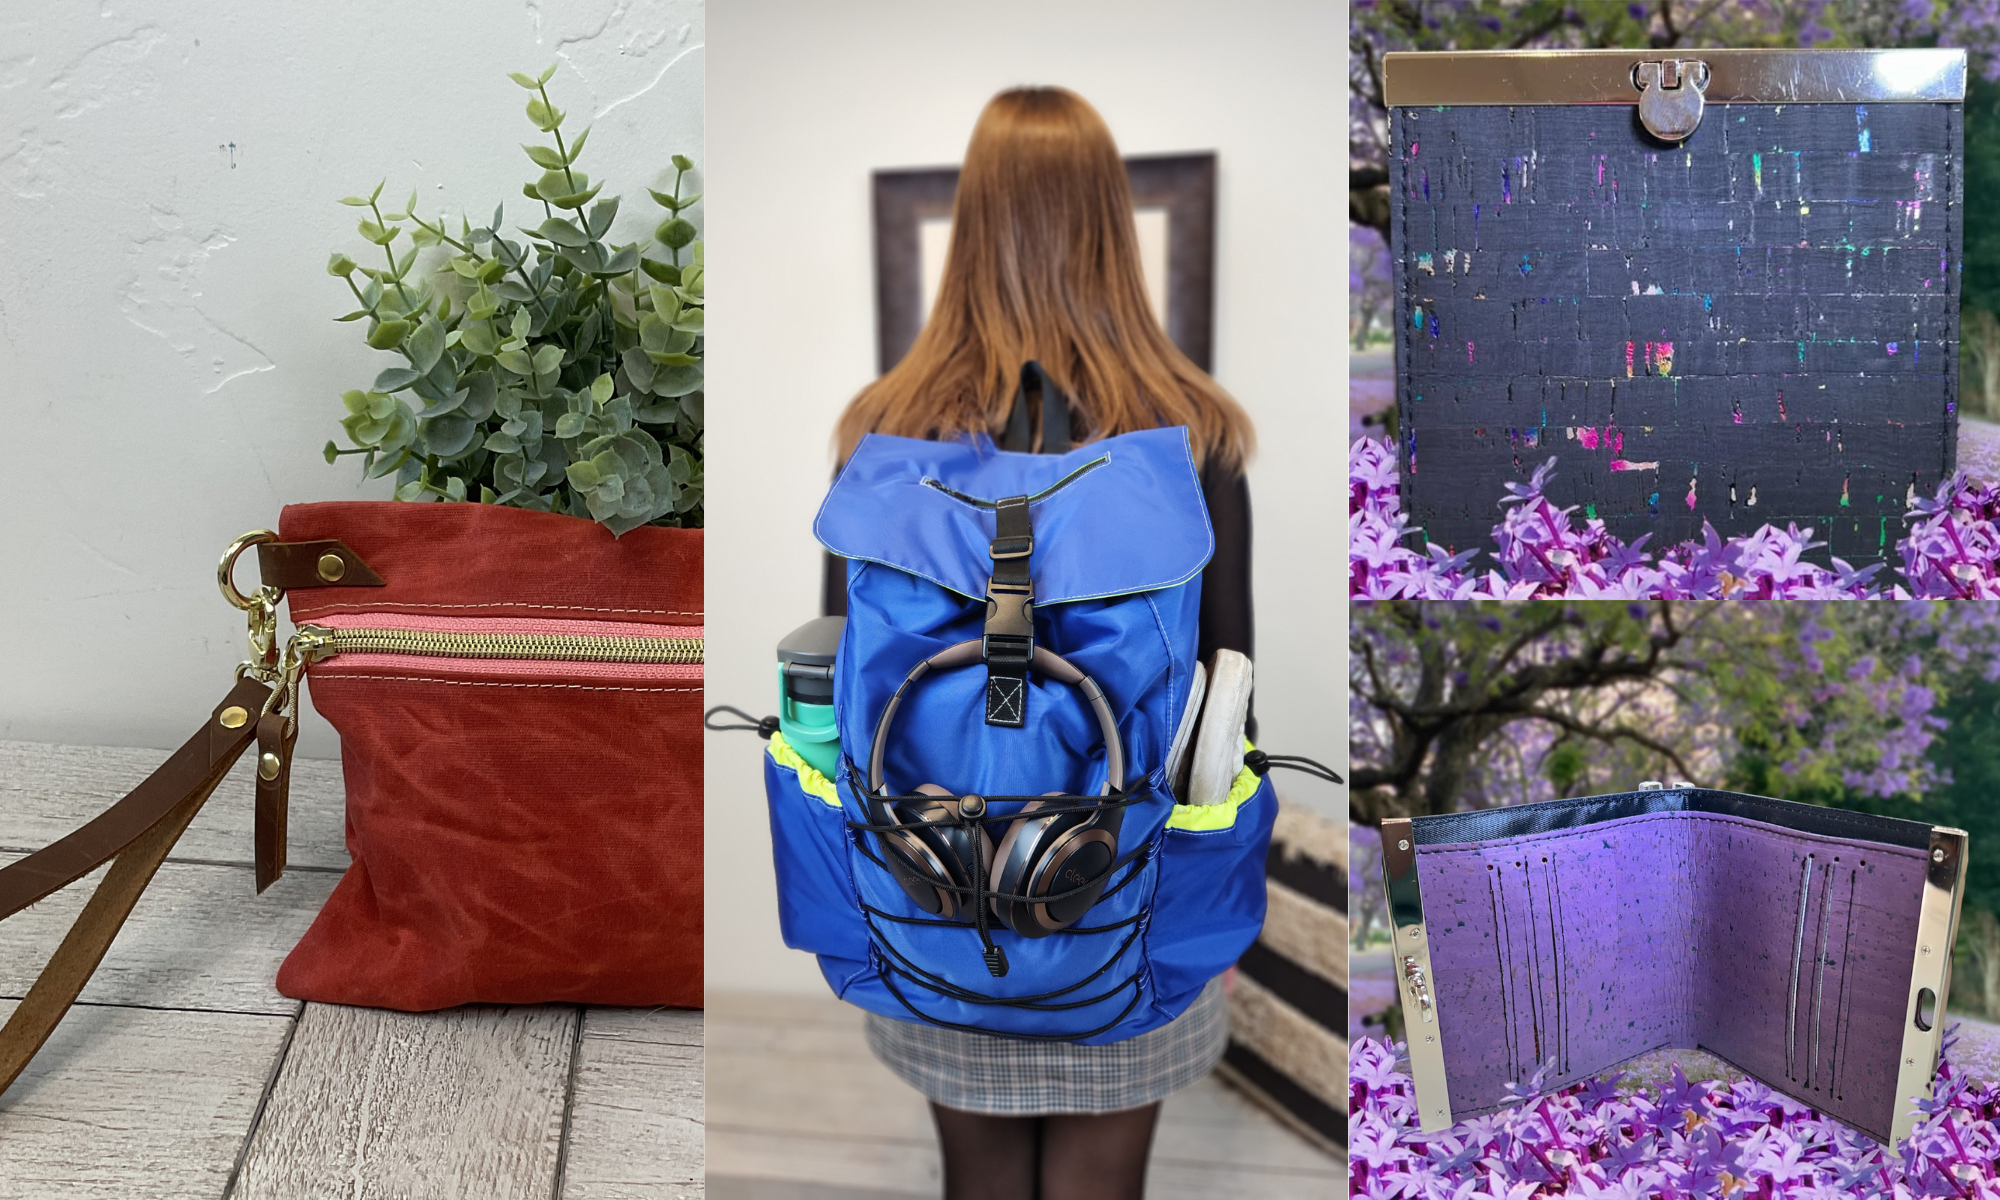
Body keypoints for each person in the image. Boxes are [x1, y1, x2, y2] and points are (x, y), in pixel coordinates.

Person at [821, 85, 1256, 1200]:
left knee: (975, 1184)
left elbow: (841, 686)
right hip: (1127, 902)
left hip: (928, 894)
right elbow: (1227, 700)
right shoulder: (1190, 436)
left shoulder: (885, 435)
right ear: (1110, 224)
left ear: (972, 226)